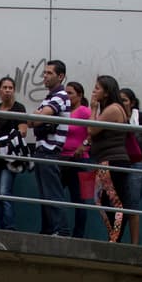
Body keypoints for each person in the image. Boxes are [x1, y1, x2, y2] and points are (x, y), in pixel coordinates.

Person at [84, 75, 131, 243]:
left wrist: (93, 109)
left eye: (97, 88)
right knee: (101, 199)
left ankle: (114, 240)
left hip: (112, 161)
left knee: (115, 202)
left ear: (107, 92)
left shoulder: (113, 109)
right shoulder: (112, 109)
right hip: (105, 160)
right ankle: (112, 236)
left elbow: (92, 130)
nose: (94, 91)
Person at [30, 61, 72, 236]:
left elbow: (36, 120)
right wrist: (36, 117)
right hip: (42, 150)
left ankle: (61, 231)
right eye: (44, 73)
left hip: (50, 151)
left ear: (60, 76)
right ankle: (49, 230)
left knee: (52, 193)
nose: (44, 76)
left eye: (49, 73)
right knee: (45, 195)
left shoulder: (60, 96)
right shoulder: (49, 98)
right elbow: (33, 120)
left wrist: (37, 117)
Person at [0, 76, 30, 232]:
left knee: (5, 192)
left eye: (10, 88)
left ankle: (9, 229)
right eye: (4, 87)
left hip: (10, 157)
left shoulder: (19, 108)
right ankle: (3, 228)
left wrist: (2, 144)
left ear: (14, 90)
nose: (7, 91)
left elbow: (22, 132)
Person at [59, 81, 92, 238]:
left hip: (81, 161)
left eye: (70, 93)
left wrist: (84, 145)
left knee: (81, 200)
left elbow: (94, 131)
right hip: (61, 159)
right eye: (65, 93)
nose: (67, 96)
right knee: (55, 196)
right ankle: (61, 230)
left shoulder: (84, 111)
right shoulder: (62, 111)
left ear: (80, 95)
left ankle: (79, 235)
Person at [118, 88, 142, 244]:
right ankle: (115, 239)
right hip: (118, 163)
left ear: (132, 102)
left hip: (136, 164)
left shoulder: (141, 117)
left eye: (124, 100)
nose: (122, 103)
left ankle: (134, 244)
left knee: (133, 205)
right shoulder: (114, 115)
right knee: (117, 204)